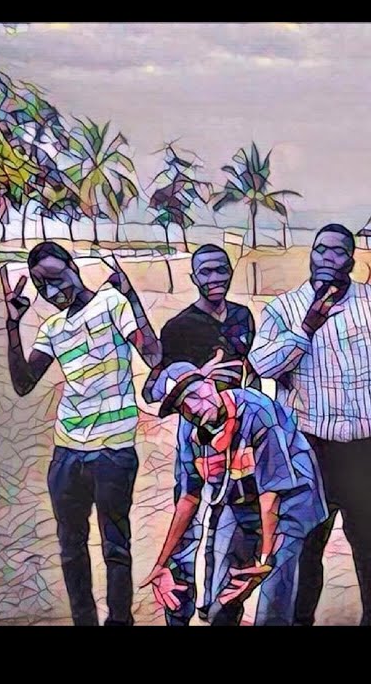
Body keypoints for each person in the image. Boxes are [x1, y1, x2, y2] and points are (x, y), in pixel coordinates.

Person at [248, 223, 371, 626]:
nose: (328, 257)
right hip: (311, 448)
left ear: (351, 260)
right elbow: (262, 365)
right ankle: (301, 618)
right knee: (308, 541)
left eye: (338, 251)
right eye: (321, 249)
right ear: (311, 255)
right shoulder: (284, 309)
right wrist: (305, 327)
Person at [3, 242, 162, 626]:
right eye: (41, 286)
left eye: (57, 279)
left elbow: (154, 356)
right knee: (71, 549)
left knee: (115, 547)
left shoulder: (112, 303)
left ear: (73, 268)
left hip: (113, 450)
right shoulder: (52, 328)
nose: (52, 292)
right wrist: (12, 326)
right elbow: (24, 383)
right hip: (67, 453)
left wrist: (132, 297)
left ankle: (119, 621)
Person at [140, 354, 329, 626]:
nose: (193, 407)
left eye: (194, 394)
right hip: (240, 498)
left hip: (290, 501)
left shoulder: (257, 410)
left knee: (273, 589)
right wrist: (162, 563)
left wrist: (264, 559)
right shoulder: (188, 430)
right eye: (182, 406)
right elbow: (188, 498)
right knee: (219, 600)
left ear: (209, 383)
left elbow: (271, 495)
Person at [141, 243, 259, 625]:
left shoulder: (242, 317)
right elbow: (153, 389)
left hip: (237, 429)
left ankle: (218, 606)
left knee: (233, 517)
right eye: (205, 272)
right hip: (194, 435)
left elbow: (250, 370)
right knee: (191, 515)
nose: (215, 278)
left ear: (231, 272)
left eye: (221, 270)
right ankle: (180, 609)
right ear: (193, 278)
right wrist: (197, 379)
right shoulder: (178, 327)